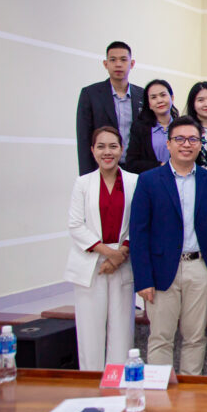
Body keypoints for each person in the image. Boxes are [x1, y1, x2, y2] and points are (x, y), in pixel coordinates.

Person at [129, 116, 207, 374]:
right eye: (179, 139)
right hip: (161, 271)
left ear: (200, 145)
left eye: (193, 139)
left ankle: (189, 398)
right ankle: (161, 400)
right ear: (168, 144)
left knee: (195, 338)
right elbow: (138, 234)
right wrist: (143, 279)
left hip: (198, 269)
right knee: (160, 338)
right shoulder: (148, 181)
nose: (186, 144)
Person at [66, 126, 138, 370]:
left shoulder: (133, 181)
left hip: (123, 264)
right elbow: (75, 225)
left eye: (113, 146)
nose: (107, 152)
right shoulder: (83, 183)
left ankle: (119, 388)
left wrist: (120, 256)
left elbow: (137, 224)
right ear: (92, 151)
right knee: (90, 334)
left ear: (121, 149)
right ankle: (91, 389)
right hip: (91, 265)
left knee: (121, 333)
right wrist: (109, 254)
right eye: (101, 147)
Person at [76, 41, 144, 175]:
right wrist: (86, 176)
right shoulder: (90, 94)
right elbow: (84, 139)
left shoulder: (143, 95)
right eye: (113, 60)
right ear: (105, 64)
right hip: (102, 168)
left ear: (132, 64)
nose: (118, 64)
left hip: (136, 169)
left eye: (123, 60)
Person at [125, 79, 178, 174]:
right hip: (151, 181)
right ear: (149, 104)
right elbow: (131, 163)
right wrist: (160, 166)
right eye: (153, 97)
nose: (159, 100)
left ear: (172, 98)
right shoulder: (139, 128)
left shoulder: (182, 126)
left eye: (163, 95)